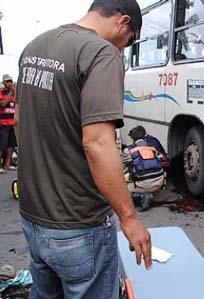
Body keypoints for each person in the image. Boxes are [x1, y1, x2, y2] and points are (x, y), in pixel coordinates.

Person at [14, 1, 152, 298]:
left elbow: (19, 121)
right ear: (122, 22)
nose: (124, 49)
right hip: (78, 225)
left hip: (33, 219)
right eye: (129, 41)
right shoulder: (102, 53)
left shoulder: (34, 46)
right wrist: (130, 218)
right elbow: (97, 143)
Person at [122, 126, 166, 211]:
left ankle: (143, 195)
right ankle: (153, 192)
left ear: (132, 138)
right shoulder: (153, 147)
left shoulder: (129, 150)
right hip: (159, 182)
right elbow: (161, 161)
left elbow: (120, 168)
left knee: (120, 189)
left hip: (144, 183)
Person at [0, 74, 17, 173]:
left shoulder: (14, 94)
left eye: (11, 81)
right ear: (3, 83)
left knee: (11, 145)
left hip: (12, 123)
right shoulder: (1, 92)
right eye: (7, 81)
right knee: (2, 146)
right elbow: (3, 104)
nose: (10, 83)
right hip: (3, 123)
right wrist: (10, 92)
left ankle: (8, 164)